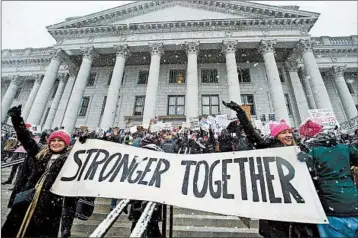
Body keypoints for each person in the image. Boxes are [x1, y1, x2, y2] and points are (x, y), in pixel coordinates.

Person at [223, 100, 319, 238]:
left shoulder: (302, 150)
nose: (288, 135)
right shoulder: (269, 148)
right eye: (283, 133)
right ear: (276, 136)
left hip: (299, 206)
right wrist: (241, 113)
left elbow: (314, 179)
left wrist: (309, 163)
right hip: (276, 205)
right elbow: (252, 135)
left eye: (289, 132)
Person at [1, 105, 78, 238]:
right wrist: (16, 119)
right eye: (53, 140)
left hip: (50, 208)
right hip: (27, 202)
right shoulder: (40, 154)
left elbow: (71, 199)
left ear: (66, 143)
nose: (56, 143)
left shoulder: (70, 161)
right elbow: (25, 138)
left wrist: (66, 227)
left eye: (60, 141)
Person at [298, 119, 358, 238]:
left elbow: (303, 176)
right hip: (353, 204)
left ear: (306, 136)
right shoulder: (344, 148)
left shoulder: (310, 152)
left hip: (330, 208)